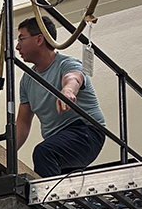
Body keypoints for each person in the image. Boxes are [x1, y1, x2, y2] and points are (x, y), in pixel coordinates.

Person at [14, 18, 106, 178]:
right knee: (52, 165)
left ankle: (45, 203)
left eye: (21, 39)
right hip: (58, 141)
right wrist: (9, 151)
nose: (17, 46)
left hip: (86, 132)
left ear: (39, 39)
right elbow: (22, 122)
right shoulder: (27, 79)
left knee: (44, 152)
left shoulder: (66, 64)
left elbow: (74, 78)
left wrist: (68, 91)